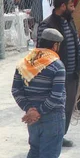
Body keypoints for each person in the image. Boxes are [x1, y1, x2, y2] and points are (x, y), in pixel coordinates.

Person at [37, 0, 80, 148]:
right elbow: (41, 52)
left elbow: (76, 43)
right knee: (55, 107)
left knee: (68, 106)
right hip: (56, 75)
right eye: (71, 6)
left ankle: (60, 135)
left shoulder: (68, 21)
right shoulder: (47, 26)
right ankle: (48, 136)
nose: (73, 9)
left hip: (71, 74)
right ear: (62, 6)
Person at [12, 28, 66, 158]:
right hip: (53, 116)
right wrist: (39, 111)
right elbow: (56, 95)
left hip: (32, 119)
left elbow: (16, 90)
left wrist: (29, 109)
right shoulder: (57, 66)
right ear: (55, 45)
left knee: (34, 152)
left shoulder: (24, 63)